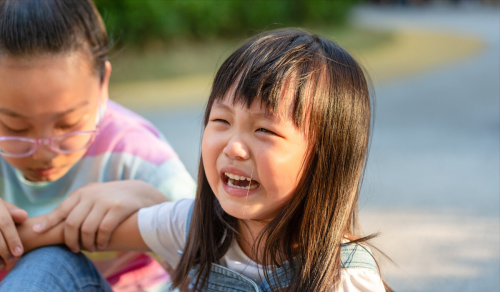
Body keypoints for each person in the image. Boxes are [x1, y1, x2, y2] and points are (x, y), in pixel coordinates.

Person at [5, 29, 392, 292]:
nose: (234, 148)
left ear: (326, 159)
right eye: (221, 121)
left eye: (264, 131)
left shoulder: (346, 278)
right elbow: (50, 232)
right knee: (49, 262)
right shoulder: (192, 226)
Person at [0, 0, 195, 291]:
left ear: (103, 82)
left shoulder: (138, 157)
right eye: (15, 128)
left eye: (67, 125)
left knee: (49, 261)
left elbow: (217, 269)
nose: (44, 152)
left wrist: (157, 208)